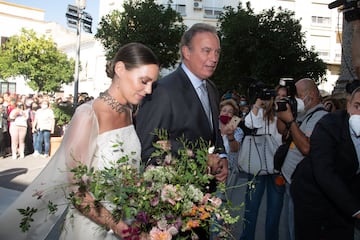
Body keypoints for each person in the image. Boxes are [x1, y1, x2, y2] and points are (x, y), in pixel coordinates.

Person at [0, 42, 160, 240]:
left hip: (126, 220)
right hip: (91, 229)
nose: (149, 90)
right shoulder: (87, 114)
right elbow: (77, 192)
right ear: (120, 69)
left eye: (152, 83)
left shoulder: (128, 112)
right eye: (144, 81)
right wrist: (121, 229)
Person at [136, 23, 228, 183]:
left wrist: (222, 157)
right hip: (174, 196)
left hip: (204, 193)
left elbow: (213, 132)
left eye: (217, 52)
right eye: (206, 51)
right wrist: (199, 159)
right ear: (186, 52)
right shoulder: (163, 91)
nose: (214, 59)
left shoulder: (211, 89)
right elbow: (147, 150)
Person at [291, 86, 360, 240]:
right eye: (357, 106)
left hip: (344, 197)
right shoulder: (329, 124)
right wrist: (356, 210)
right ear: (348, 105)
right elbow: (324, 171)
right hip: (312, 194)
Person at [276, 78, 328, 240]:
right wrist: (282, 111)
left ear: (310, 95)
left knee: (298, 232)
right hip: (292, 183)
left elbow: (306, 148)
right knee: (291, 229)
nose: (295, 99)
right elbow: (281, 130)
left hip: (304, 189)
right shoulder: (304, 115)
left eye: (297, 96)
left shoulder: (321, 118)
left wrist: (291, 120)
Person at [240, 92, 284, 240]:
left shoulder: (287, 115)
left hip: (278, 168)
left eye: (283, 97)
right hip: (257, 167)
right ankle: (247, 237)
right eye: (277, 97)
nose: (279, 100)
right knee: (251, 208)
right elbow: (249, 123)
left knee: (275, 210)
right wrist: (257, 104)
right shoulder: (262, 114)